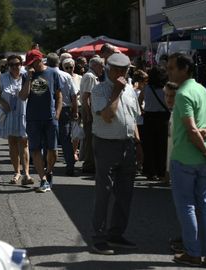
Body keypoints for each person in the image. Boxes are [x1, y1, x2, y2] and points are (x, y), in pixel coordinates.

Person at [167, 52, 206, 268]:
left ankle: (193, 252)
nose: (168, 71)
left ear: (184, 69)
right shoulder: (203, 91)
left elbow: (190, 129)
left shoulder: (182, 93)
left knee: (187, 205)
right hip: (205, 157)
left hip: (186, 158)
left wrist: (204, 145)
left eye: (172, 68)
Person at [89, 53, 142, 255]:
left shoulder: (130, 91)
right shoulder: (99, 90)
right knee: (104, 191)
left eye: (125, 71)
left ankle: (116, 233)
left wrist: (138, 144)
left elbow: (133, 119)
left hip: (127, 145)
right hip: (106, 144)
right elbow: (108, 115)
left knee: (125, 192)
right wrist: (117, 92)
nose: (121, 74)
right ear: (109, 70)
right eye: (118, 70)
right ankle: (99, 237)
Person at [19, 49, 62, 193]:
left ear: (40, 60)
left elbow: (59, 95)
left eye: (33, 63)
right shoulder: (26, 76)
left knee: (53, 151)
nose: (31, 66)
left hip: (50, 118)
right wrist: (29, 78)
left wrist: (57, 113)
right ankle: (43, 179)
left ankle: (49, 172)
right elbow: (23, 96)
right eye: (29, 64)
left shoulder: (53, 73)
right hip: (33, 118)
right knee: (35, 149)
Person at [0, 55, 33, 185]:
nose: (14, 67)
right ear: (8, 66)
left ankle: (26, 173)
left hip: (24, 113)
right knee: (12, 143)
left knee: (24, 142)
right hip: (9, 114)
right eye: (11, 65)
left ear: (21, 64)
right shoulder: (3, 78)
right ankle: (17, 172)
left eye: (17, 64)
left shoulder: (27, 76)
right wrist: (3, 103)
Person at [47, 53, 78, 176]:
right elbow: (73, 96)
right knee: (65, 139)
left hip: (48, 109)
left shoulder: (45, 75)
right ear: (58, 62)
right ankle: (70, 165)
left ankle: (48, 166)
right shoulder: (66, 76)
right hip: (65, 109)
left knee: (48, 138)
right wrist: (75, 111)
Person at [139, 66, 170, 181]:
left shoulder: (146, 88)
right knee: (162, 146)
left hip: (149, 118)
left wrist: (142, 111)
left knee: (149, 145)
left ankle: (149, 171)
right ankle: (161, 171)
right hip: (163, 118)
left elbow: (139, 101)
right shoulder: (166, 89)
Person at [80, 56, 104, 174]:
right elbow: (85, 98)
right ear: (95, 65)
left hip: (90, 110)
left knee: (91, 138)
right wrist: (89, 114)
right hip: (89, 111)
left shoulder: (92, 76)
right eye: (101, 66)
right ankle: (89, 165)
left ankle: (91, 163)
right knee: (90, 139)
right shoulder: (90, 76)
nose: (103, 69)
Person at [62, 58, 83, 162]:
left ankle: (74, 151)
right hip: (66, 107)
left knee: (76, 131)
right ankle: (68, 152)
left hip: (78, 106)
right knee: (66, 132)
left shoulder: (80, 78)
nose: (69, 69)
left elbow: (83, 91)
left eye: (71, 67)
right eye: (67, 67)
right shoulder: (62, 77)